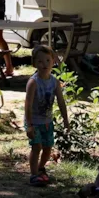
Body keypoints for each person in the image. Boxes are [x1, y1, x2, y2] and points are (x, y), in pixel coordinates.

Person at [25, 45, 68, 186]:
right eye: (40, 61)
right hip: (34, 121)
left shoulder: (54, 82)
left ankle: (41, 168)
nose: (44, 64)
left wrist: (65, 119)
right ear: (34, 64)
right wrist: (29, 125)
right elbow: (28, 105)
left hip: (47, 121)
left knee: (48, 147)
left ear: (53, 61)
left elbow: (61, 102)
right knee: (36, 147)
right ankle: (33, 175)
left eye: (48, 60)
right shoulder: (33, 82)